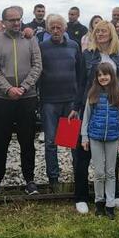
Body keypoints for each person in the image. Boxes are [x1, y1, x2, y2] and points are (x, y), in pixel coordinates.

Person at [75, 19, 119, 214]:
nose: (100, 34)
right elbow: (81, 82)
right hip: (91, 106)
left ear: (111, 33)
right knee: (83, 154)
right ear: (93, 34)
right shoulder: (87, 55)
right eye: (97, 31)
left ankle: (113, 196)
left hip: (114, 108)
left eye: (104, 31)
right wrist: (77, 106)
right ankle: (81, 197)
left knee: (111, 158)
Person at [0, 6, 43, 195]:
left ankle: (29, 179)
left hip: (27, 98)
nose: (16, 23)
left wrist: (24, 87)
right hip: (3, 98)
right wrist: (8, 88)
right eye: (12, 20)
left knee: (27, 141)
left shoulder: (30, 39)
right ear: (4, 22)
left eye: (18, 19)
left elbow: (37, 65)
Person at [38, 14, 85, 189]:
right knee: (50, 142)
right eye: (53, 28)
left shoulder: (74, 46)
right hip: (49, 101)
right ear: (49, 30)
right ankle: (53, 179)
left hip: (70, 102)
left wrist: (78, 100)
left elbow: (81, 74)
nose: (56, 31)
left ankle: (78, 176)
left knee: (71, 142)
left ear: (64, 28)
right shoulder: (42, 47)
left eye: (59, 27)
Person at [80, 62, 119, 219]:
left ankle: (110, 204)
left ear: (112, 76)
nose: (103, 77)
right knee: (99, 172)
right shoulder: (92, 95)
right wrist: (84, 136)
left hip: (113, 138)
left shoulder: (118, 95)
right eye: (99, 75)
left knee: (110, 172)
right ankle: (99, 202)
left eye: (105, 74)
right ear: (96, 78)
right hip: (95, 137)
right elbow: (86, 117)